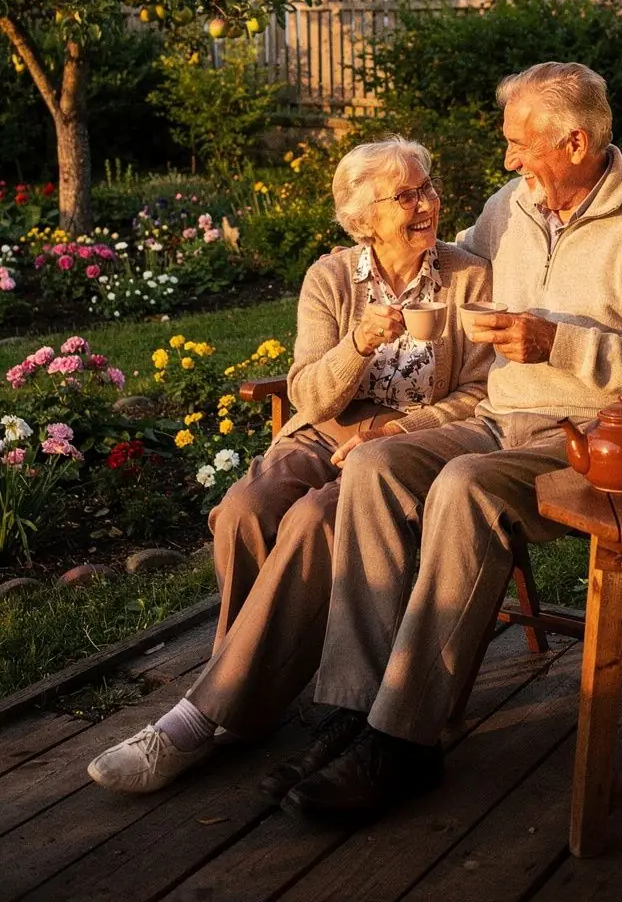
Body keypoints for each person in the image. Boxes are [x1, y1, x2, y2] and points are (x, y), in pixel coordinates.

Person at [278, 61, 622, 823]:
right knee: (377, 466)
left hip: (590, 439)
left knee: (464, 487)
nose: (507, 159)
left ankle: (402, 743)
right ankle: (351, 708)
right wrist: (375, 264)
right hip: (494, 419)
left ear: (574, 141)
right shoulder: (509, 206)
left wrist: (562, 344)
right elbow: (446, 273)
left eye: (519, 143)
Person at [87, 137, 492, 795]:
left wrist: (399, 429)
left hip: (400, 450)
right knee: (245, 511)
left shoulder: (470, 277)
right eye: (407, 195)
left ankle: (200, 718)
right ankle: (247, 698)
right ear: (363, 218)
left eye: (428, 187)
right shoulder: (330, 278)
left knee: (311, 521)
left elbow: (479, 394)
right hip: (321, 431)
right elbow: (307, 393)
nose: (427, 203)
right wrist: (358, 345)